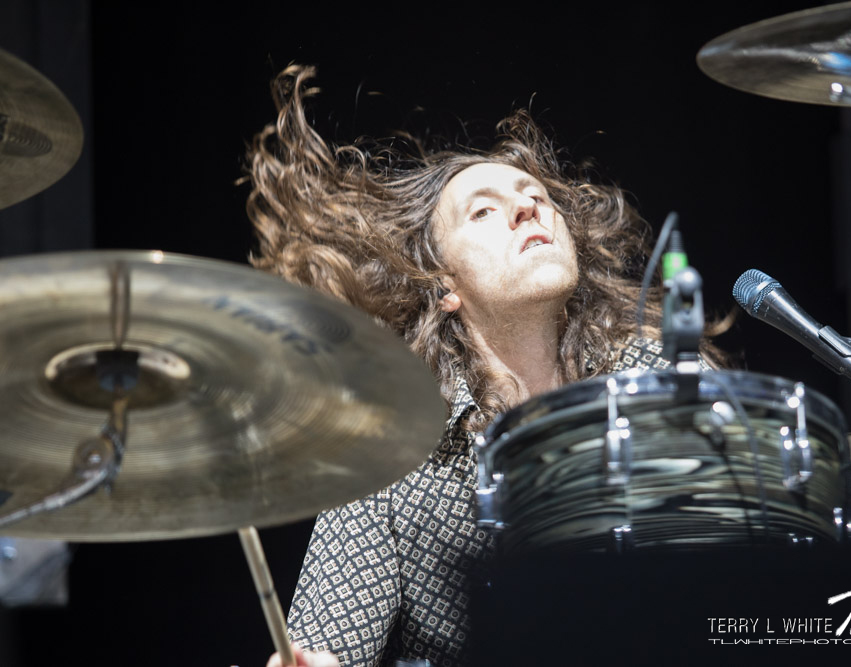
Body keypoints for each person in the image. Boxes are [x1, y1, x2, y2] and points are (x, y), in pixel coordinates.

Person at [245, 63, 726, 667]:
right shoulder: (392, 456)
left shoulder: (660, 372)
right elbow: (325, 648)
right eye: (482, 212)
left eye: (536, 197)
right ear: (444, 284)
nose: (527, 208)